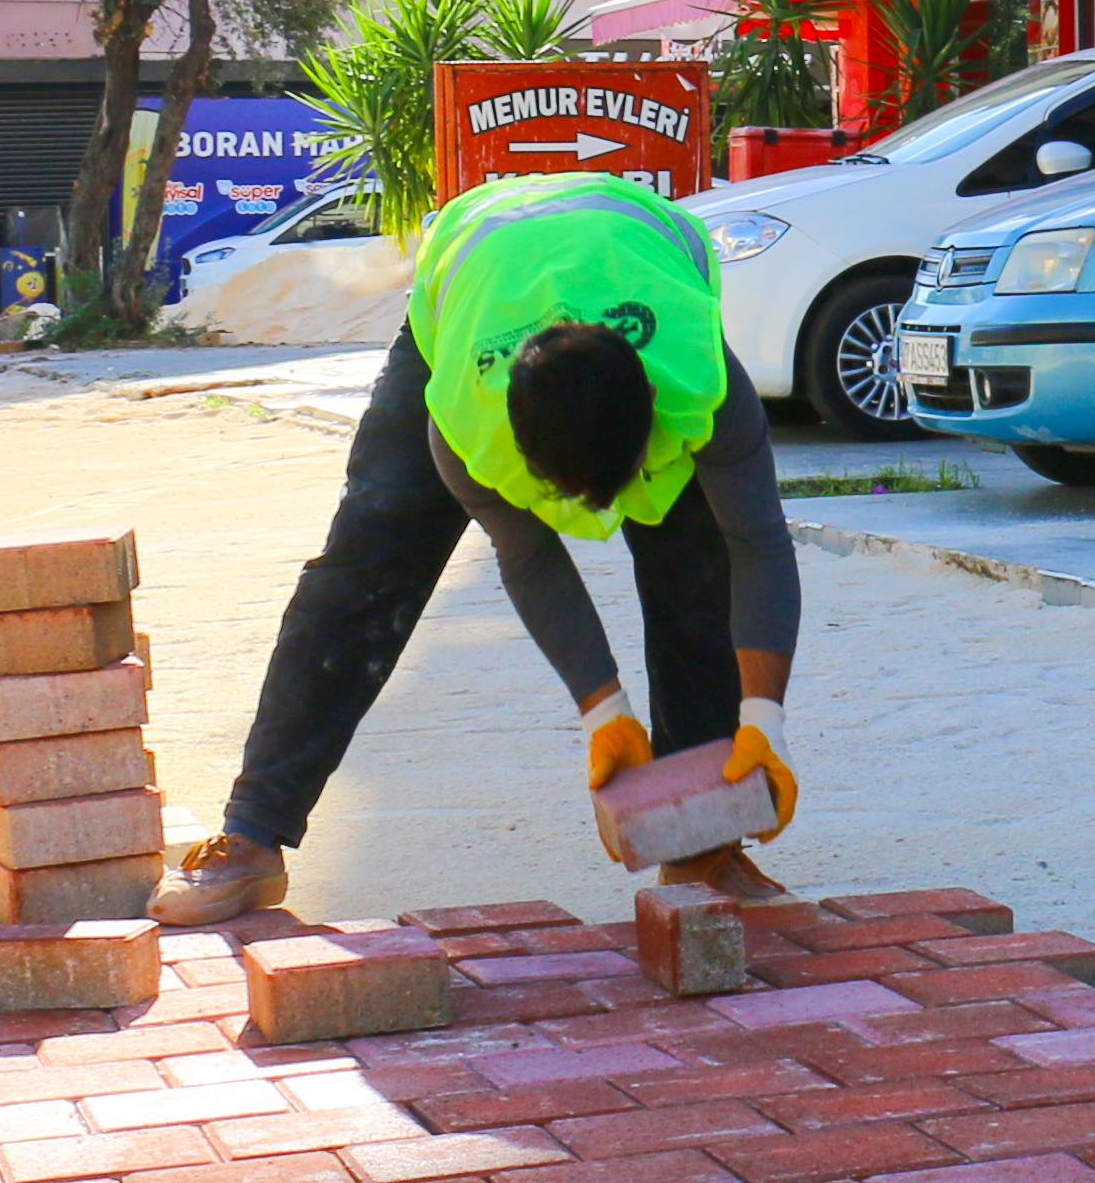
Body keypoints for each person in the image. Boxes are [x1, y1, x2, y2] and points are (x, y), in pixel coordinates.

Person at [149, 169, 804, 926]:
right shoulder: (462, 415)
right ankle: (253, 833)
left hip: (633, 260)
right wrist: (605, 715)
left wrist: (766, 722)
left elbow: (759, 544)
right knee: (366, 565)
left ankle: (701, 843)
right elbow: (529, 559)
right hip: (477, 289)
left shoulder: (703, 386)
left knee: (699, 566)